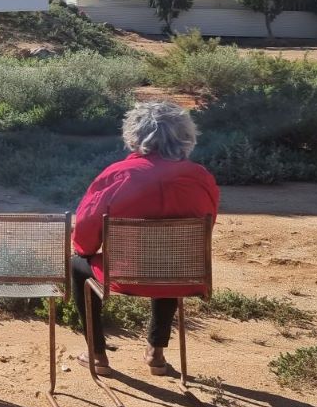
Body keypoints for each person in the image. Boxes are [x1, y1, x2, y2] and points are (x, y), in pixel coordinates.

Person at [71, 100, 219, 377]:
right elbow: (206, 225)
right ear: (186, 136)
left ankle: (97, 353)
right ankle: (156, 352)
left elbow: (85, 236)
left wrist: (85, 249)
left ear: (134, 135)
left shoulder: (118, 174)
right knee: (173, 258)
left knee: (77, 263)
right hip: (182, 273)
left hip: (123, 272)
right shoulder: (200, 177)